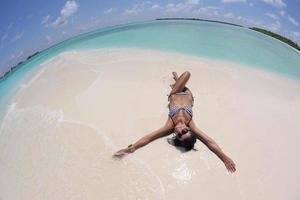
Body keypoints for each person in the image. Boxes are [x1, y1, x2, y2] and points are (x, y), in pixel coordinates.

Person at [113, 71, 236, 173]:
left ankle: (177, 83)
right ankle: (178, 80)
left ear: (175, 135)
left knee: (186, 74)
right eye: (185, 131)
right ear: (188, 130)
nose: (181, 129)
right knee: (187, 74)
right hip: (188, 94)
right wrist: (224, 158)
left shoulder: (169, 125)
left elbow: (149, 138)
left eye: (179, 134)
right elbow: (209, 142)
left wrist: (128, 150)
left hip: (176, 93)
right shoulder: (191, 124)